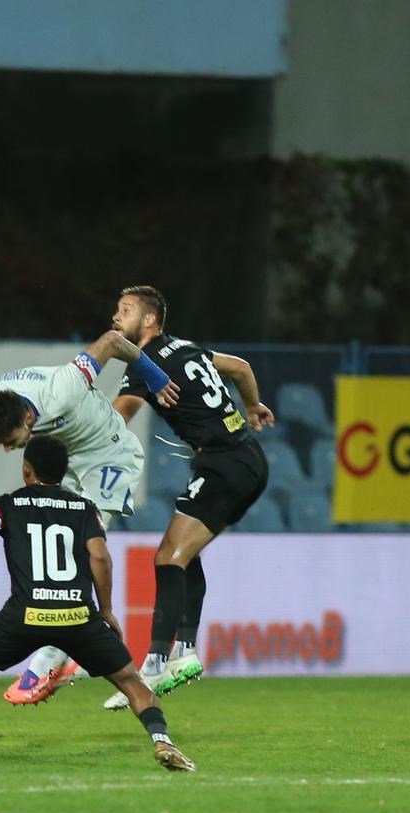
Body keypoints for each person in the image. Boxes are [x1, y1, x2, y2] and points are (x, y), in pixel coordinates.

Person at [0, 435, 196, 772]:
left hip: (27, 614)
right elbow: (99, 557)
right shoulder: (85, 508)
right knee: (129, 679)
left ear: (26, 470)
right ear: (64, 472)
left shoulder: (7, 505)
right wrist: (106, 610)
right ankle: (162, 741)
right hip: (78, 616)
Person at [0, 329, 179, 705]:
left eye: (12, 440)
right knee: (52, 549)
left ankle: (52, 659)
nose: (9, 450)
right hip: (66, 463)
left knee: (81, 544)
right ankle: (63, 652)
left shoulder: (61, 389)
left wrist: (156, 377)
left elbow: (112, 341)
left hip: (108, 455)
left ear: (28, 416)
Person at [96, 284, 276, 711]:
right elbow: (241, 368)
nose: (117, 317)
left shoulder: (146, 361)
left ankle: (157, 663)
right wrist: (253, 406)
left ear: (150, 320)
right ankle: (185, 652)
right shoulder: (186, 347)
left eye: (126, 310)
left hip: (223, 465)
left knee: (167, 557)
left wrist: (80, 425)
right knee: (184, 553)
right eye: (117, 310)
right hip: (247, 460)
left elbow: (120, 414)